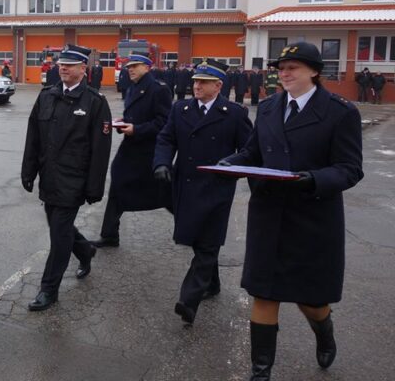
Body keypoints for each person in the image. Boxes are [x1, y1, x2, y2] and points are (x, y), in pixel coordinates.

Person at [220, 43, 363, 380]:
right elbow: (254, 153)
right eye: (280, 68)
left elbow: (349, 169)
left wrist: (312, 179)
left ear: (314, 71)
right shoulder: (269, 107)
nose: (283, 73)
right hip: (269, 214)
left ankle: (323, 330)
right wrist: (229, 163)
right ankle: (260, 371)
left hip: (312, 217)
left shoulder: (340, 112)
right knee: (264, 293)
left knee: (309, 298)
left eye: (292, 67)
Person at [153, 59, 252, 324]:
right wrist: (162, 162)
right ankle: (213, 283)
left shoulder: (234, 113)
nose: (196, 85)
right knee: (198, 240)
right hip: (184, 184)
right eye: (196, 81)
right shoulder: (180, 108)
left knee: (208, 243)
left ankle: (189, 301)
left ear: (218, 85)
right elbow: (166, 138)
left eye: (204, 82)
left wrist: (231, 163)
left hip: (216, 186)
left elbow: (250, 150)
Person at [21, 44, 112, 311]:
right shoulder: (47, 95)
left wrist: (95, 187)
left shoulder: (95, 102)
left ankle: (48, 290)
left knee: (59, 236)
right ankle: (85, 251)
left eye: (70, 64)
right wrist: (28, 171)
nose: (63, 67)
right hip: (49, 178)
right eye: (62, 63)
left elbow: (100, 151)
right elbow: (33, 138)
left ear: (83, 69)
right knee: (58, 227)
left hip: (74, 181)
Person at [93, 53, 172, 248]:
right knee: (117, 185)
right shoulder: (132, 87)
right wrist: (124, 122)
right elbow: (135, 114)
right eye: (129, 67)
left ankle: (192, 227)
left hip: (149, 151)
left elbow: (164, 123)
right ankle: (109, 234)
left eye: (135, 66)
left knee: (167, 193)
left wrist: (136, 129)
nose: (130, 70)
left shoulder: (158, 90)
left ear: (147, 67)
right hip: (131, 148)